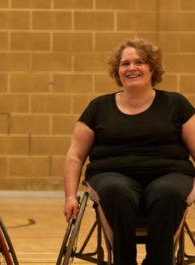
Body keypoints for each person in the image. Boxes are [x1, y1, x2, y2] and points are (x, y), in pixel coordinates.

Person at [63, 38, 195, 265]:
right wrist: (69, 196)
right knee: (116, 190)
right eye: (125, 63)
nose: (132, 68)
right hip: (111, 176)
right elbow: (75, 155)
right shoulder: (98, 107)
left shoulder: (176, 104)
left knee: (170, 192)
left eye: (139, 62)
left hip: (170, 174)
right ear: (118, 70)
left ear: (152, 68)